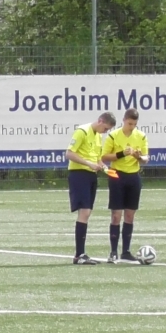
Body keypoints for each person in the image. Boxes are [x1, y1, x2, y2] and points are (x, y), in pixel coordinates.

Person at [65, 111, 116, 265]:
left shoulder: (98, 136)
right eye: (105, 128)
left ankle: (81, 254)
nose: (105, 132)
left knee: (87, 213)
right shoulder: (82, 131)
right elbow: (69, 153)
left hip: (91, 175)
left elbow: (97, 159)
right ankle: (79, 255)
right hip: (79, 174)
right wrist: (89, 163)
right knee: (84, 212)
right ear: (100, 121)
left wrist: (104, 167)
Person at [101, 108, 149, 263]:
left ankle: (126, 251)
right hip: (117, 175)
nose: (132, 127)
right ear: (124, 120)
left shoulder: (141, 136)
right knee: (116, 215)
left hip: (133, 176)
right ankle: (113, 252)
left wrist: (139, 157)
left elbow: (146, 158)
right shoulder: (113, 135)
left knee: (130, 215)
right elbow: (104, 156)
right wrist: (122, 153)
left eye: (134, 124)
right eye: (129, 123)